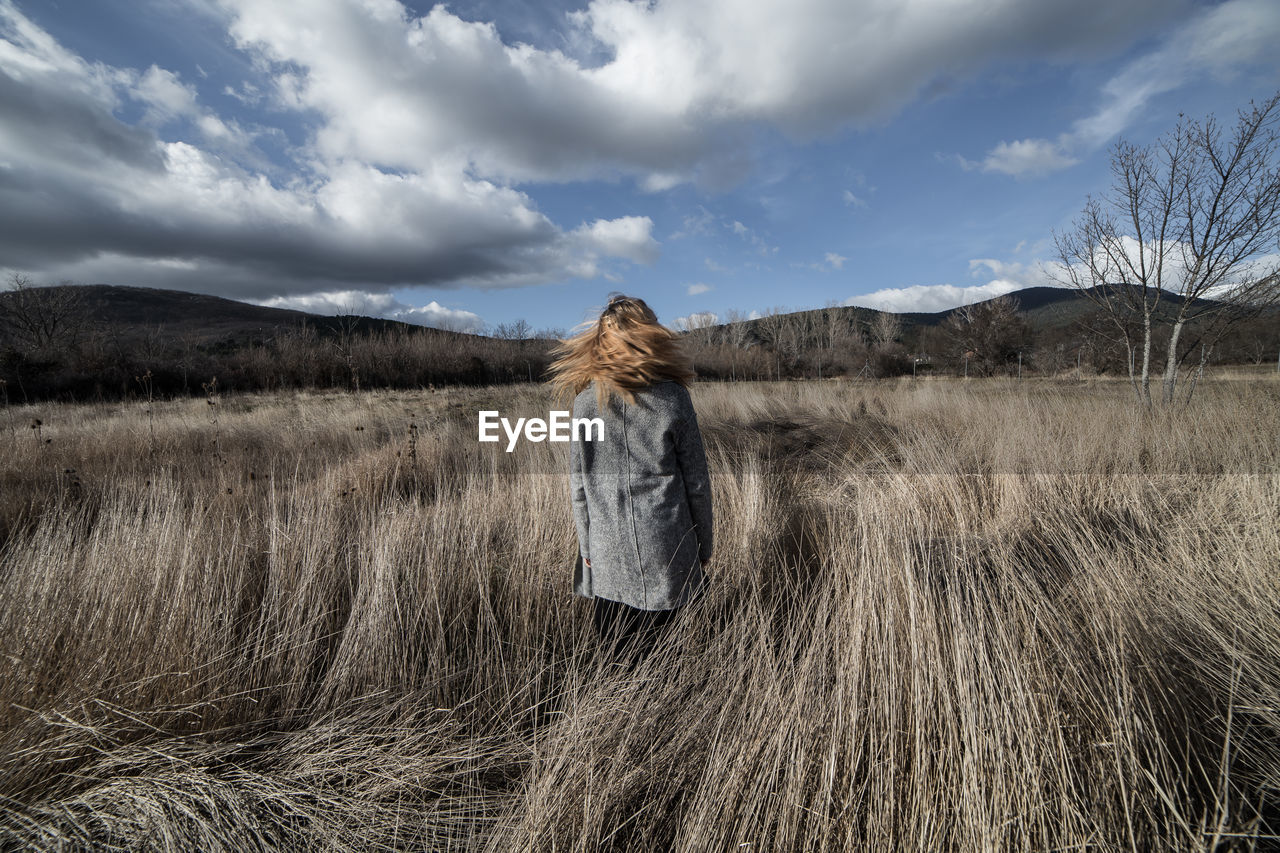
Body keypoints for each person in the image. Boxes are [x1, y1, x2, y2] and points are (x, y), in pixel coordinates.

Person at [547, 294, 713, 666]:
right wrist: (704, 545)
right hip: (668, 546)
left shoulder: (585, 403)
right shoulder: (673, 398)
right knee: (669, 663)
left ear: (601, 343)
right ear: (650, 334)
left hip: (607, 550)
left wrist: (587, 551)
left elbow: (579, 486)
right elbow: (697, 483)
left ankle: (617, 724)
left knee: (615, 662)